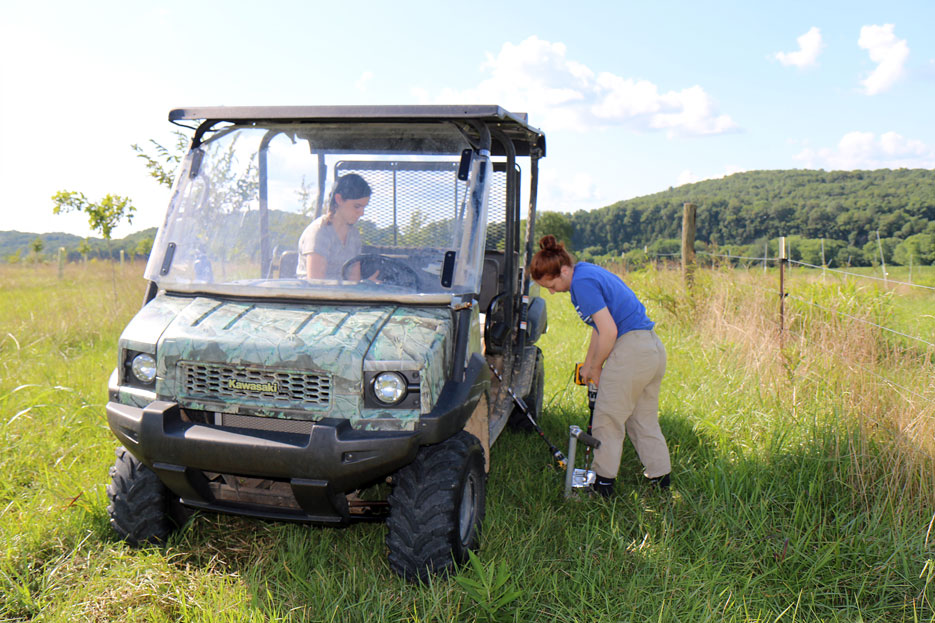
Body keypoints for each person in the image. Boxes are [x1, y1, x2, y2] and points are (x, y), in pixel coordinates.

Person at [530, 235, 671, 496]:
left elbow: (609, 331)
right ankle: (661, 480)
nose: (551, 291)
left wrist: (596, 368)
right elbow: (598, 328)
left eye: (551, 284)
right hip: (650, 348)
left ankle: (602, 486)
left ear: (563, 270)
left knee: (607, 420)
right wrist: (589, 364)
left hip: (631, 351)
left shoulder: (581, 283)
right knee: (643, 420)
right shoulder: (587, 272)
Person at [297, 173, 371, 280]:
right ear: (339, 199)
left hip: (342, 294)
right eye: (357, 206)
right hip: (315, 295)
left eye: (364, 207)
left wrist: (366, 286)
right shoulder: (319, 233)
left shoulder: (354, 235)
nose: (362, 213)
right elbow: (316, 284)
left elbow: (354, 280)